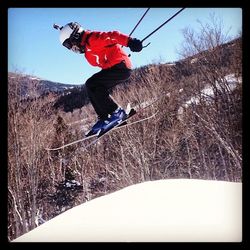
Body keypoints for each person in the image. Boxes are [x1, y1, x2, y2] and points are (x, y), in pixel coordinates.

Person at [54, 22, 143, 136]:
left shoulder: (93, 38)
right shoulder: (87, 52)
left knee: (93, 84)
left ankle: (116, 113)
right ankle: (105, 117)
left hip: (121, 67)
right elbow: (105, 59)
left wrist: (130, 41)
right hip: (114, 68)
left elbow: (113, 36)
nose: (73, 49)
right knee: (91, 85)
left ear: (75, 36)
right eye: (69, 47)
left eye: (70, 45)